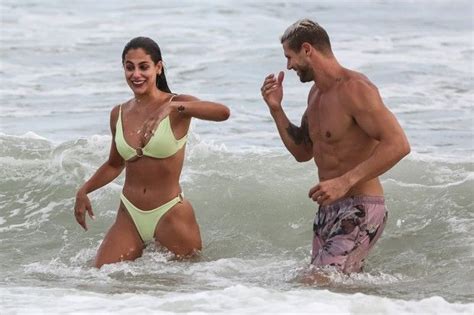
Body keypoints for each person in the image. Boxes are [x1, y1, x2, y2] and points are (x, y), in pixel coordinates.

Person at [261, 19, 410, 276]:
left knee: (316, 282)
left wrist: (345, 181)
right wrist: (276, 109)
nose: (289, 66)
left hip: (360, 207)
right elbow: (302, 152)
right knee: (334, 289)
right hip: (328, 211)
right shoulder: (316, 95)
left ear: (307, 49)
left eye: (290, 56)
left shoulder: (356, 89)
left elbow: (399, 144)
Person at [74, 37, 230, 268]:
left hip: (170, 214)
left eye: (143, 67)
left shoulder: (178, 105)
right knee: (99, 277)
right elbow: (115, 164)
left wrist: (171, 107)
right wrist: (84, 190)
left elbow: (222, 112)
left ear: (158, 68)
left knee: (188, 285)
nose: (136, 74)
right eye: (129, 67)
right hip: (129, 214)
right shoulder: (118, 113)